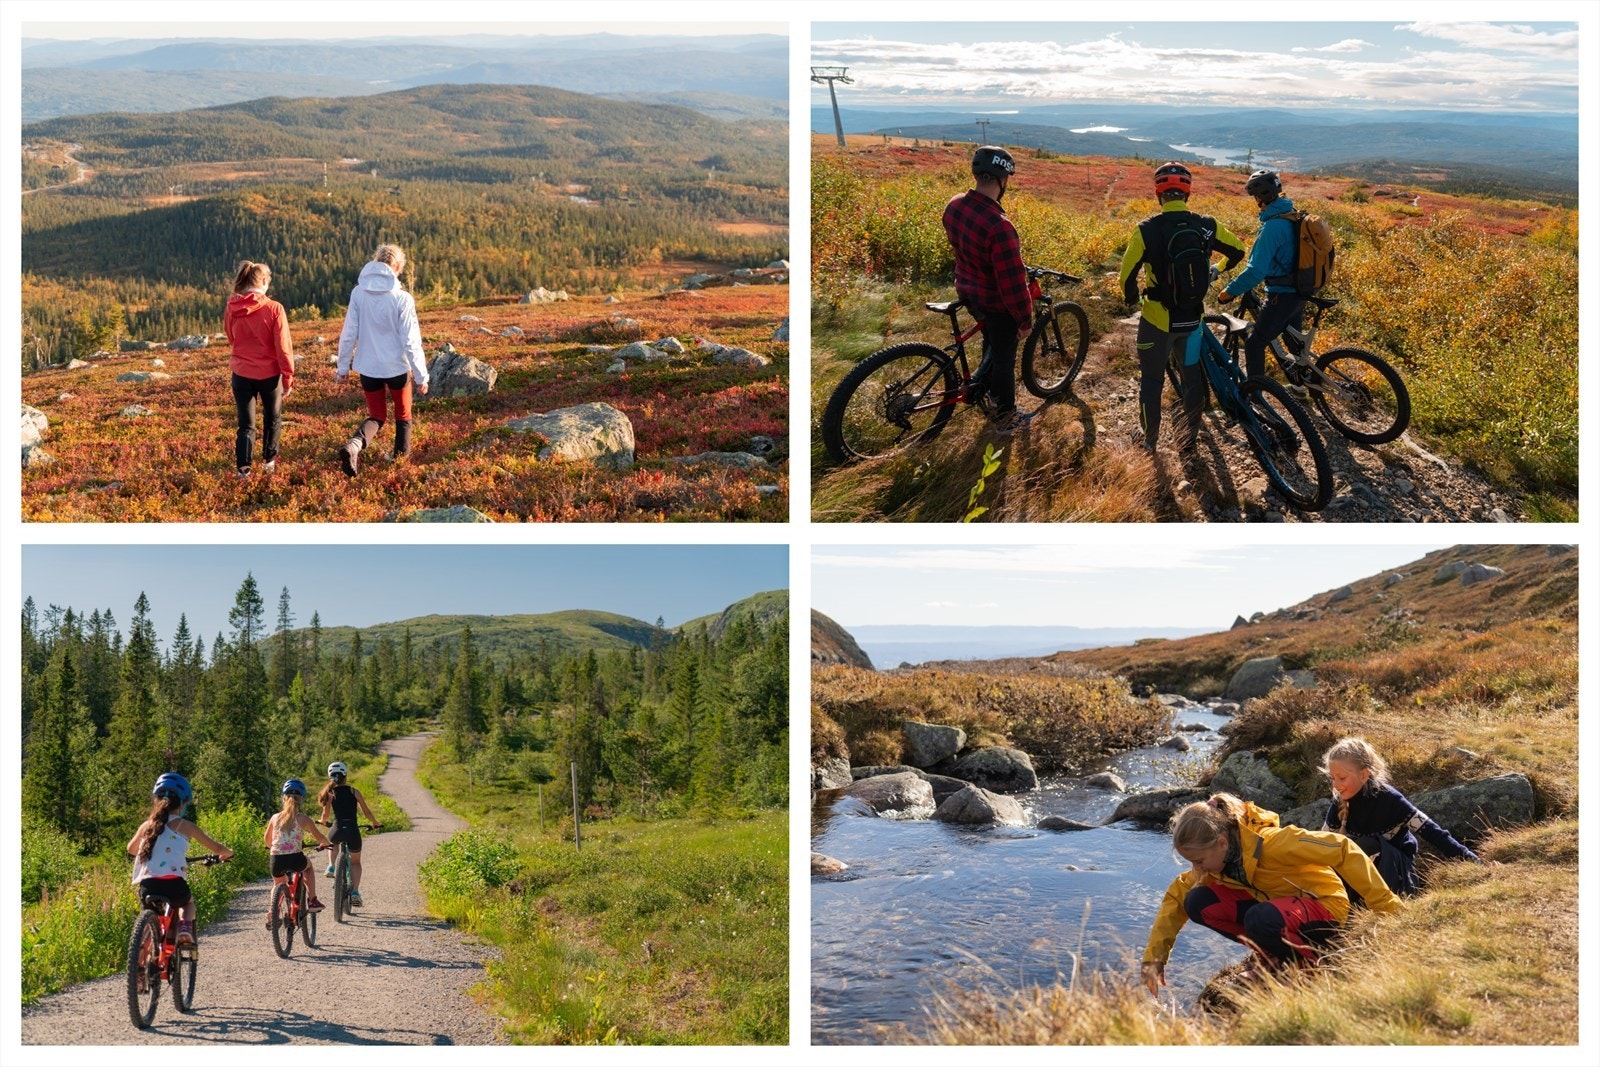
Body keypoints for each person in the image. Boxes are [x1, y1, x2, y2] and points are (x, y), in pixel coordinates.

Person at [1141, 793, 1402, 995]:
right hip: (1277, 913)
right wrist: (1154, 958)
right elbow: (1176, 899)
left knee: (1259, 918)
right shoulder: (1215, 862)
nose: (1196, 868)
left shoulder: (1273, 844)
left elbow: (1342, 848)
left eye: (1199, 860)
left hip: (1324, 908)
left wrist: (1385, 904)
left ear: (1222, 843)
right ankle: (1275, 957)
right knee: (1196, 901)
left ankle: (1310, 968)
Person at [1119, 162, 1245, 452]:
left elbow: (1127, 274)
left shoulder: (1146, 229)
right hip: (1193, 321)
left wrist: (1130, 298)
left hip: (1157, 320)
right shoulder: (1206, 225)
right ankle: (1188, 438)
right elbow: (1238, 250)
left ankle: (1149, 440)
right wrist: (1219, 268)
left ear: (1158, 194)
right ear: (1187, 194)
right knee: (1192, 377)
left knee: (1152, 380)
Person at [1319, 737, 1490, 896]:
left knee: (1364, 845)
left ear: (1364, 775)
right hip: (1359, 873)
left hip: (1396, 872)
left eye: (1341, 778)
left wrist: (1476, 863)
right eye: (1332, 778)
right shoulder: (1339, 802)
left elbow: (1433, 832)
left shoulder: (1390, 799)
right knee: (1337, 851)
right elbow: (1323, 844)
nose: (1335, 785)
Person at [941, 145, 1034, 435]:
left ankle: (983, 383)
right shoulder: (1000, 226)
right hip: (993, 300)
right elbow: (1012, 283)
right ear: (1004, 180)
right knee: (1005, 356)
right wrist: (1024, 319)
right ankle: (1005, 417)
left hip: (967, 292)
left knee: (990, 338)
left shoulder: (954, 204)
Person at [333, 243, 429, 475]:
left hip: (368, 368)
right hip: (397, 368)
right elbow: (411, 341)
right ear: (398, 267)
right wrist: (421, 374)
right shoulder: (402, 298)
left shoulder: (358, 293)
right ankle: (398, 464)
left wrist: (343, 367)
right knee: (403, 416)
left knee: (376, 416)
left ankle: (354, 445)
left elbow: (349, 333)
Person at [1216, 170, 1304, 380]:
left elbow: (1256, 270)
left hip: (1282, 293)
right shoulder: (1292, 214)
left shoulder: (1273, 226)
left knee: (1255, 343)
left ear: (1259, 198)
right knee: (1293, 340)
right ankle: (1302, 385)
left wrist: (1229, 292)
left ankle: (1255, 395)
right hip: (1300, 288)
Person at [128, 773, 234, 947]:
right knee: (188, 903)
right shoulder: (185, 826)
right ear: (183, 802)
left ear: (157, 800)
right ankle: (184, 928)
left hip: (148, 886)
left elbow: (131, 849)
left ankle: (144, 954)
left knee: (151, 918)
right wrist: (228, 852)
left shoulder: (147, 825)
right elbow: (216, 848)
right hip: (174, 885)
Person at [224, 260, 295, 477]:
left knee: (246, 424)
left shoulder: (231, 306)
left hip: (241, 373)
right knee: (272, 418)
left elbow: (230, 336)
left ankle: (243, 470)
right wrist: (288, 377)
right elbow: (283, 348)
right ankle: (269, 464)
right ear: (263, 281)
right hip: (269, 375)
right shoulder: (274, 308)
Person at [264, 778, 331, 917]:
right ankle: (312, 900)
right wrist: (326, 844)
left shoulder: (275, 817)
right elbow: (320, 837)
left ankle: (272, 911)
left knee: (277, 884)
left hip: (276, 859)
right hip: (295, 859)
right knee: (309, 867)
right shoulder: (304, 819)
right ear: (301, 799)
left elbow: (267, 839)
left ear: (283, 798)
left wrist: (273, 847)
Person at [318, 761, 380, 907]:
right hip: (352, 830)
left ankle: (332, 866)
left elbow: (325, 815)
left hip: (337, 828)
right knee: (356, 862)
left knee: (332, 843)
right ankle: (355, 892)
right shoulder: (354, 792)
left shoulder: (330, 793)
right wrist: (375, 822)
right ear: (345, 775)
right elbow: (366, 812)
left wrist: (322, 821)